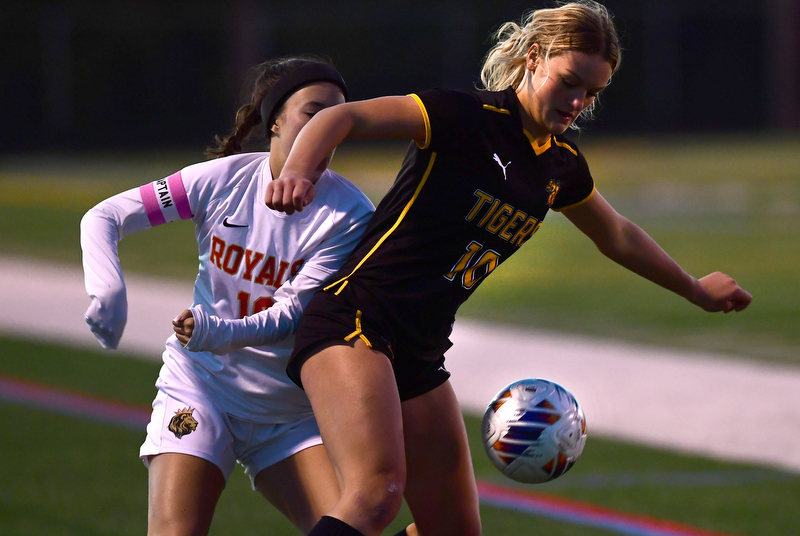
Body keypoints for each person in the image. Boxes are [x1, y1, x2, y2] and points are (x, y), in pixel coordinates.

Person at [263, 2, 754, 536]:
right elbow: (343, 116)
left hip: (420, 349)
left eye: (591, 93)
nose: (577, 101)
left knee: (453, 529)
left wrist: (694, 290)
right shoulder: (464, 118)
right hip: (353, 320)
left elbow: (616, 235)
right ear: (534, 57)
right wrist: (298, 174)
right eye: (569, 81)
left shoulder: (559, 165)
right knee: (375, 493)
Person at [80, 56, 377, 535]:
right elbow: (104, 217)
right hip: (202, 389)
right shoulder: (222, 181)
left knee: (352, 527)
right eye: (314, 112)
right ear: (276, 119)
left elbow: (289, 314)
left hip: (288, 414)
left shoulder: (350, 215)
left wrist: (216, 330)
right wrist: (108, 286)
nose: (328, 129)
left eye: (338, 119)